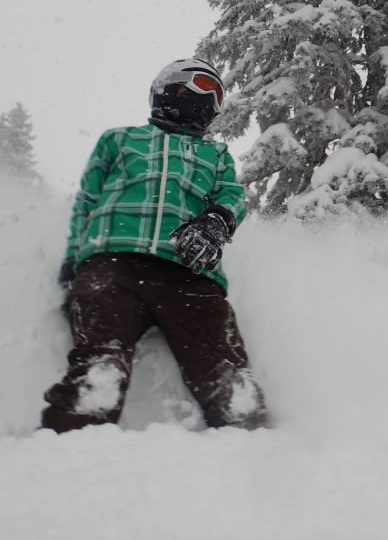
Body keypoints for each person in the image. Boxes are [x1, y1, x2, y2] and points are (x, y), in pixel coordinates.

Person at [41, 58, 268, 433]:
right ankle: (73, 435)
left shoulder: (214, 155)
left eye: (215, 95)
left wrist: (215, 221)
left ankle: (246, 431)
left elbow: (232, 196)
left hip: (189, 275)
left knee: (224, 367)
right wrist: (73, 260)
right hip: (113, 263)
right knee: (99, 362)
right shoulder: (120, 139)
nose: (207, 100)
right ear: (168, 91)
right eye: (199, 88)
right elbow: (87, 200)